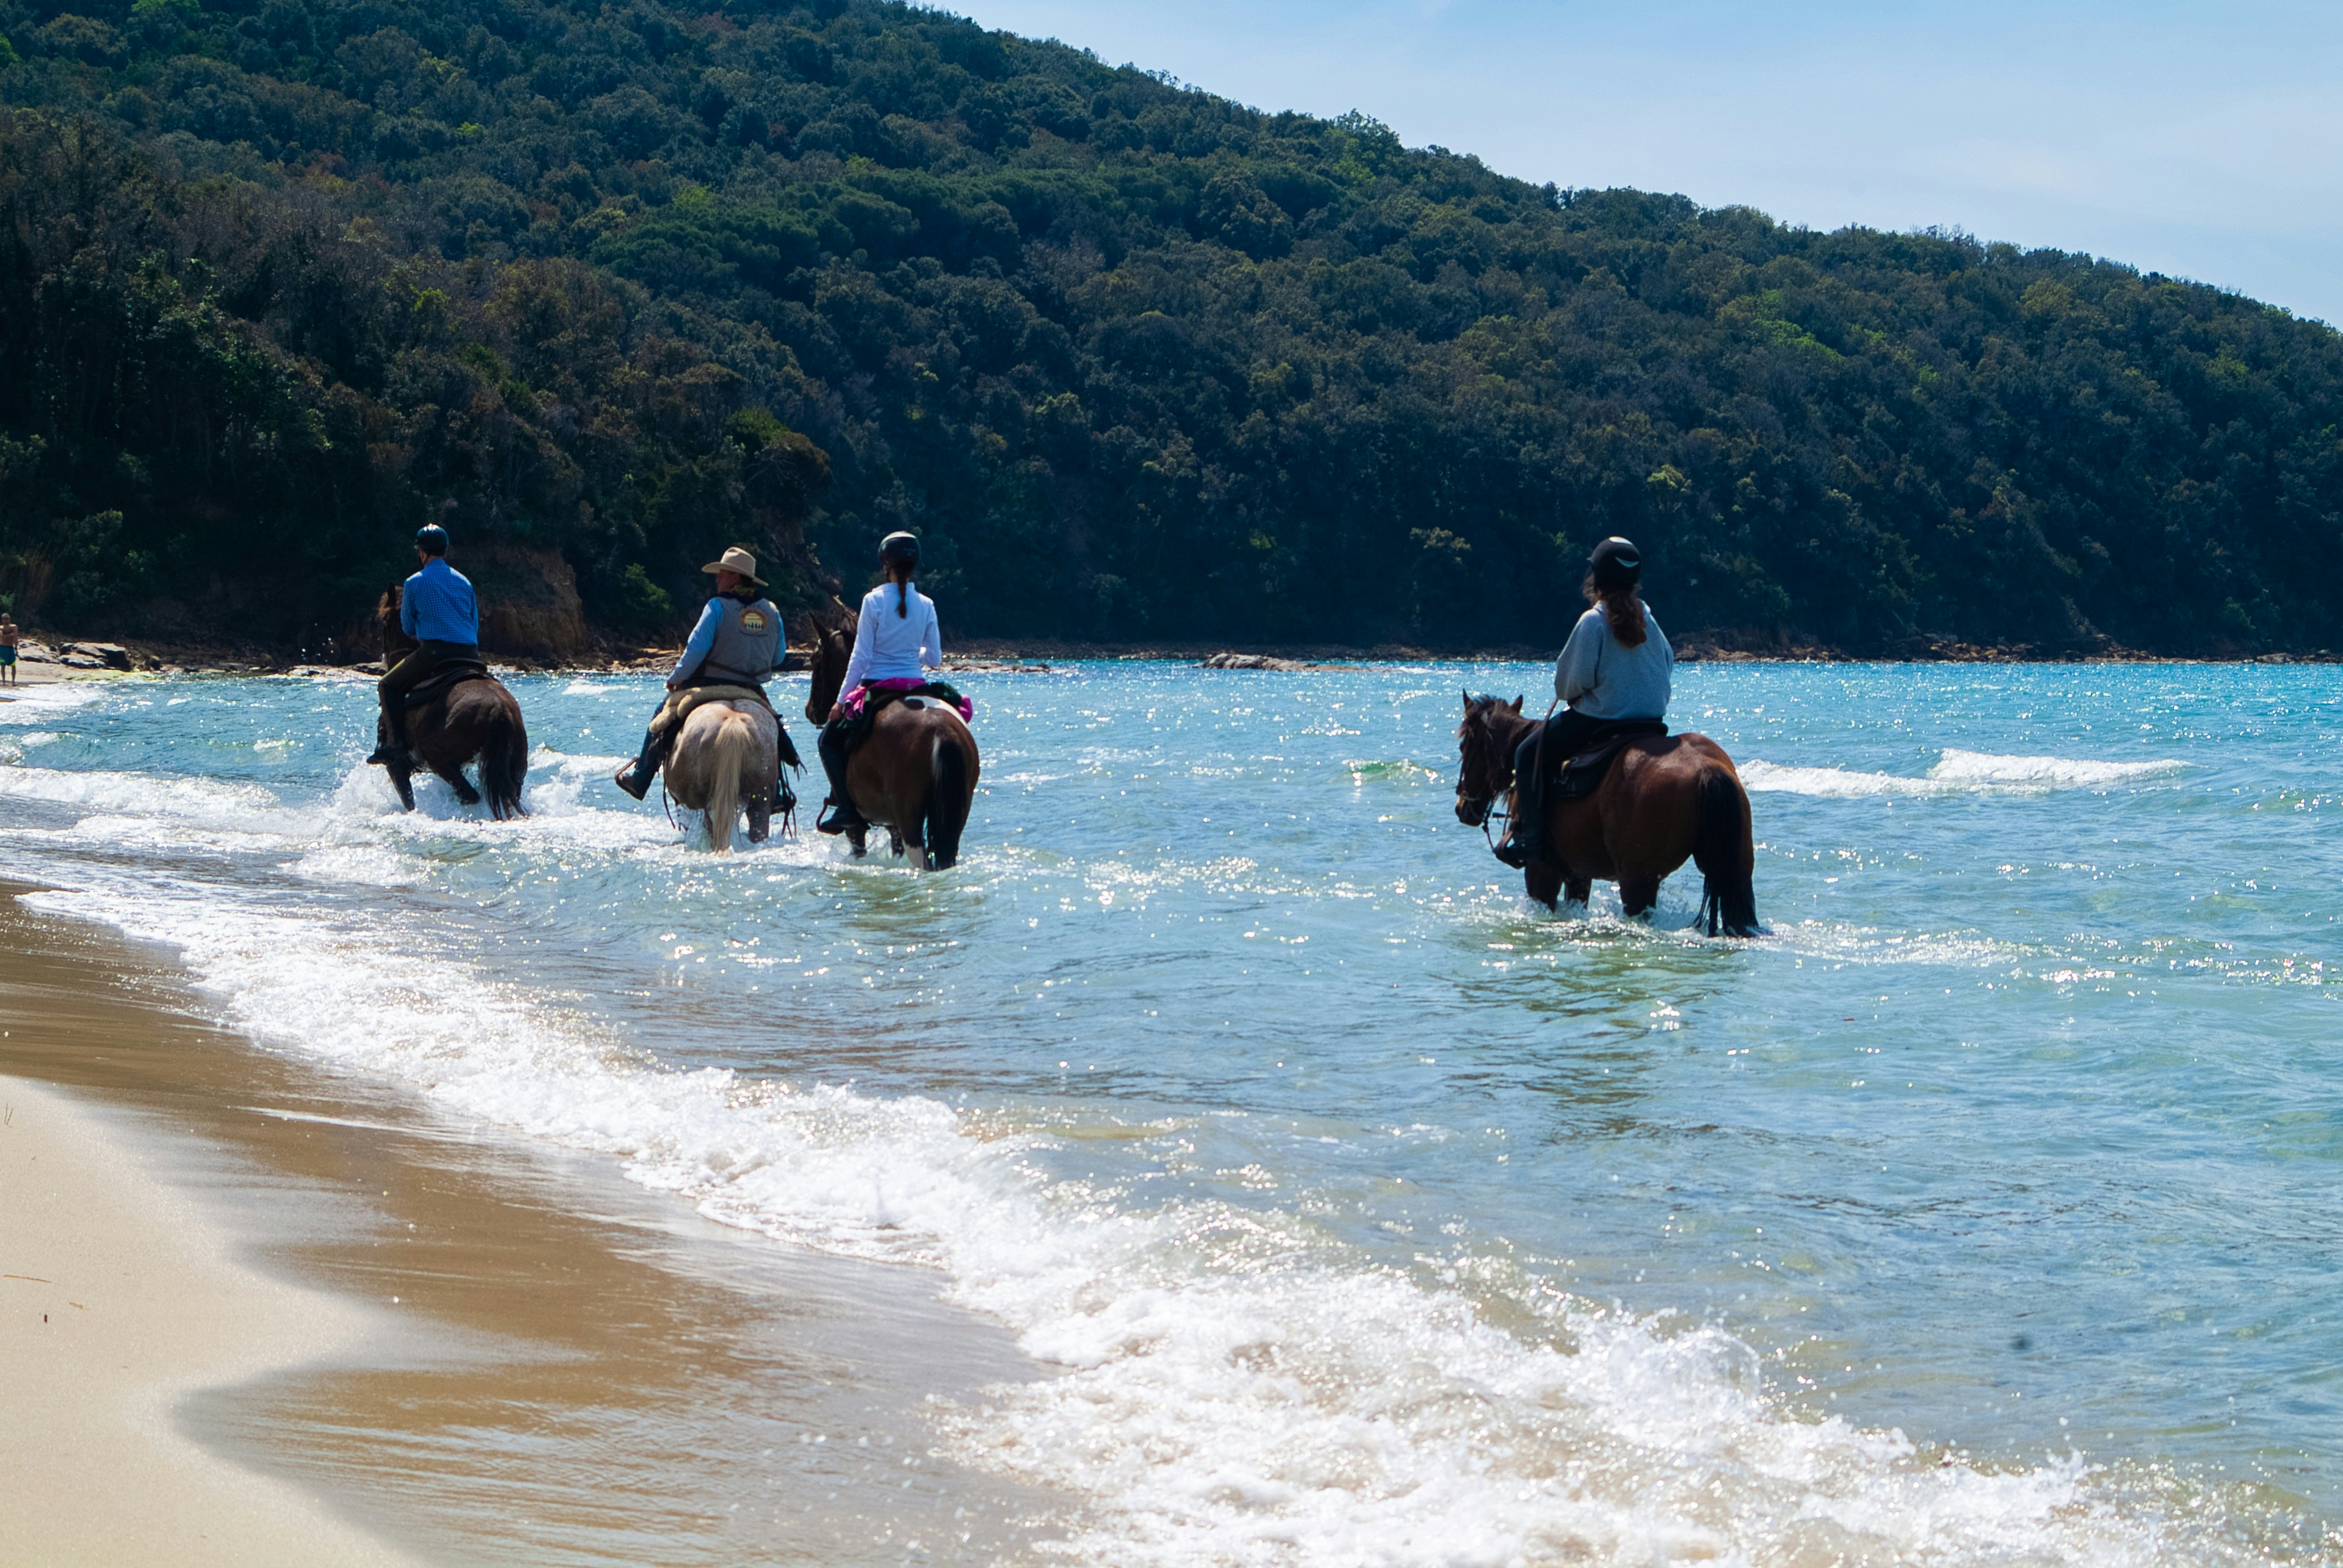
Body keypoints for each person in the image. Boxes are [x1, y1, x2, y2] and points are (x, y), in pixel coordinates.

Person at [1493, 536, 1674, 870]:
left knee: (1527, 753)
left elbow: (1566, 686)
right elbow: (1668, 663)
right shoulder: (1650, 619)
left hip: (1601, 723)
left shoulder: (1593, 621)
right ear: (1634, 582)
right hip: (1652, 724)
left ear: (1597, 579)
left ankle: (1530, 841)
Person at [613, 545, 785, 800]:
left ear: (736, 578)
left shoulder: (716, 607)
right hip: (751, 689)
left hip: (707, 684)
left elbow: (695, 650)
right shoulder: (772, 611)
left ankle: (641, 778)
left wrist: (677, 679)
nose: (718, 579)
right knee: (777, 730)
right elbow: (779, 656)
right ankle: (777, 791)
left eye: (722, 574)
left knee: (661, 717)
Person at [816, 531, 943, 835]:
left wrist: (842, 700)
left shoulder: (873, 601)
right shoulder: (926, 604)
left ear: (885, 562)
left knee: (827, 742)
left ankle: (847, 808)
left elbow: (860, 657)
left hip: (879, 686)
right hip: (916, 685)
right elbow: (935, 658)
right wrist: (912, 653)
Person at [369, 525, 479, 768]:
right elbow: (474, 624)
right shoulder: (464, 582)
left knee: (387, 684)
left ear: (422, 553)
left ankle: (394, 745)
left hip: (434, 654)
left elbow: (407, 627)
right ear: (445, 550)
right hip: (471, 656)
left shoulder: (414, 583)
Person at [0, 611, 17, 685]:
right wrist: (11, 635)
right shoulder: (1, 628)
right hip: (3, 648)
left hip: (11, 647)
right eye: (4, 619)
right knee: (3, 666)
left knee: (13, 665)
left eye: (7, 619)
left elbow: (15, 635)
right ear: (2, 620)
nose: (6, 620)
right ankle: (4, 682)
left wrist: (16, 648)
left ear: (10, 619)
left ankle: (13, 681)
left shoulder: (14, 627)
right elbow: (2, 637)